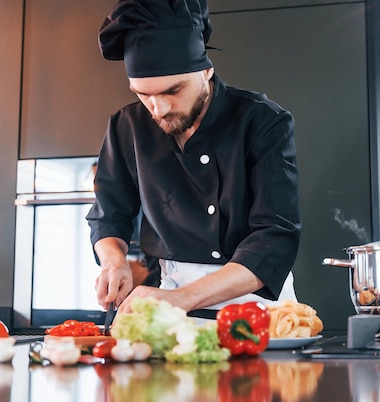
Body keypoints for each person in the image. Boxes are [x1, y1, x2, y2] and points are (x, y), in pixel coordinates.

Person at [86, 0, 301, 319]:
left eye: (173, 90)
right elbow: (108, 217)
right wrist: (114, 262)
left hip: (256, 307)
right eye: (143, 95)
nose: (157, 109)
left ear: (205, 70)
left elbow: (274, 240)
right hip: (170, 304)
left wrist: (183, 298)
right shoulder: (126, 127)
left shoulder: (262, 123)